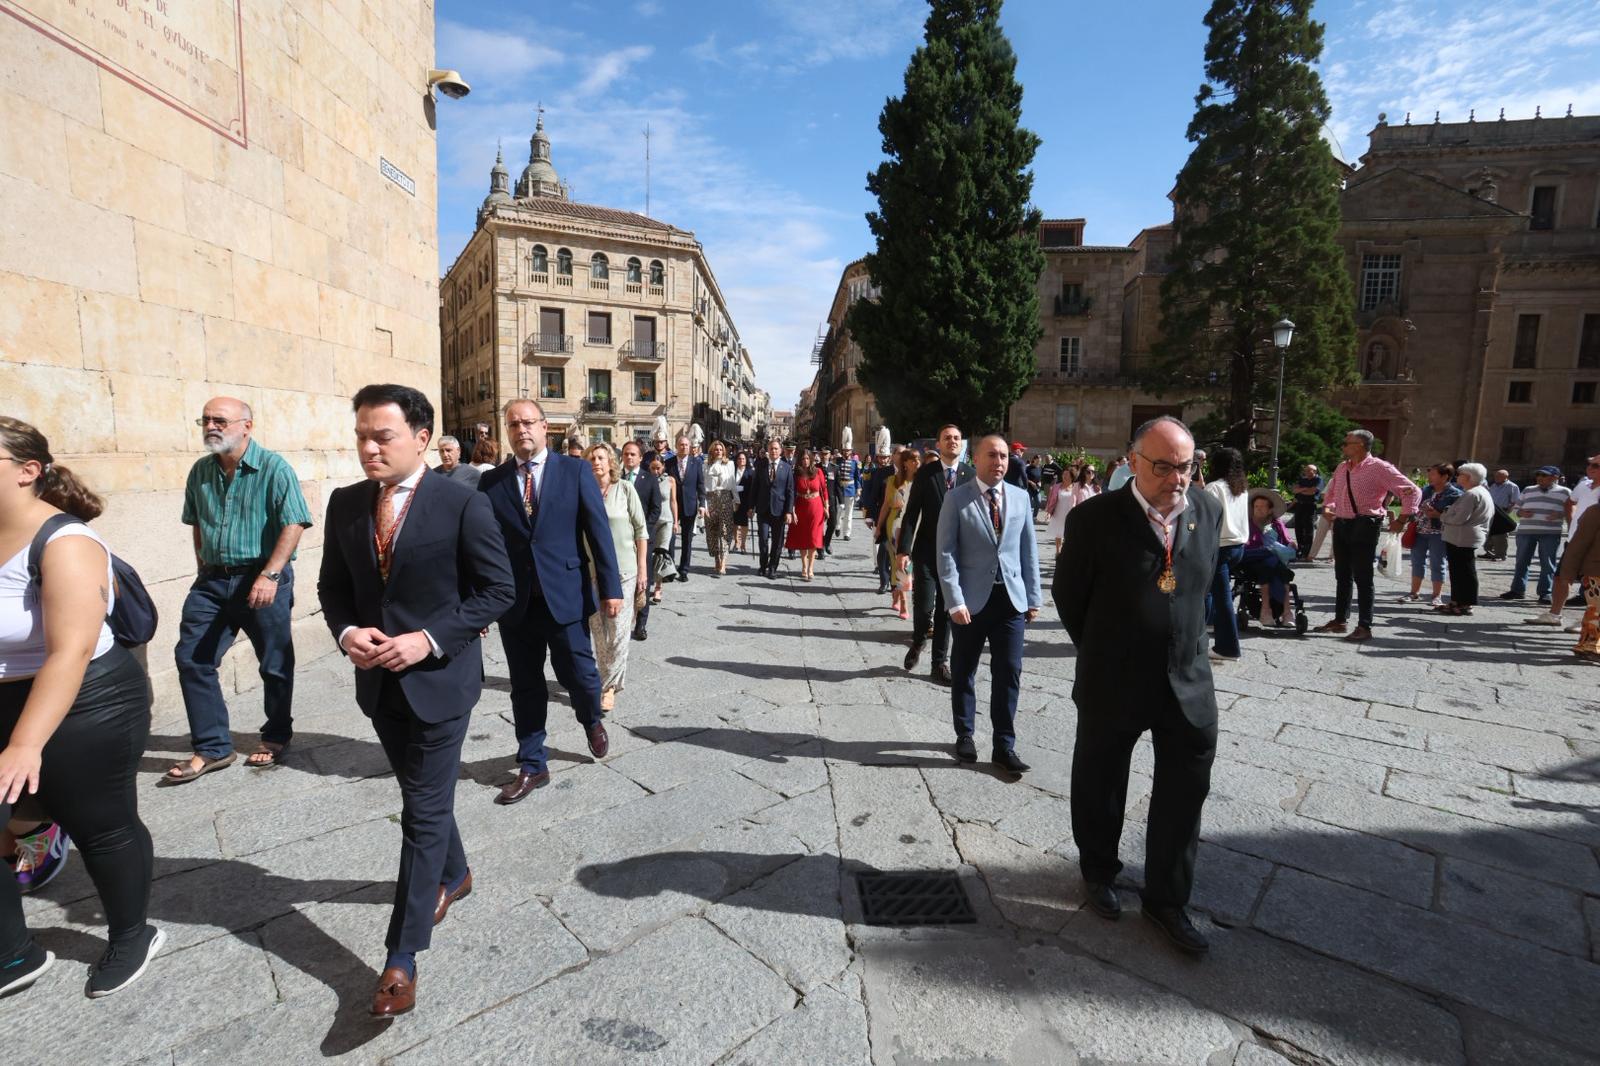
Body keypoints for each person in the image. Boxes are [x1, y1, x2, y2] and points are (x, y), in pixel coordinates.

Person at [316, 385, 513, 1017]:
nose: (369, 448)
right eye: (362, 436)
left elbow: (497, 590)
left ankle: (401, 958)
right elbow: (333, 586)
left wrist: (427, 640)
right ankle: (454, 874)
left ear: (422, 439)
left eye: (383, 437)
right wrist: (348, 634)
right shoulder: (346, 504)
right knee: (419, 797)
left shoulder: (461, 504)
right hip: (378, 686)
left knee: (421, 814)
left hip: (442, 684)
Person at [0, 417, 161, 999]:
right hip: (8, 693)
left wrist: (24, 743)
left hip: (88, 698)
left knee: (102, 823)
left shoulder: (66, 542)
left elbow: (69, 651)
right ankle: (13, 953)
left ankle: (132, 934)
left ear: (28, 472)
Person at [1053, 415, 1222, 956]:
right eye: (1164, 466)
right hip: (1115, 677)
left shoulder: (1208, 511)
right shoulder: (1095, 519)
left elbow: (1203, 588)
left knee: (1185, 789)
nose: (1177, 477)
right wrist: (1108, 648)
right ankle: (1099, 870)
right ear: (1133, 462)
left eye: (1187, 465)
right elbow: (1069, 598)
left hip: (1189, 681)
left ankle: (1167, 899)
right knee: (1101, 778)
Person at [477, 399, 620, 807]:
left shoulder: (574, 471)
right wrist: (480, 602)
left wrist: (611, 589)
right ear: (507, 431)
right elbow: (482, 548)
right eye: (513, 424)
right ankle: (533, 763)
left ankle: (590, 718)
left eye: (528, 422)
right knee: (525, 686)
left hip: (566, 597)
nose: (521, 429)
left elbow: (598, 534)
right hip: (516, 605)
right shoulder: (492, 483)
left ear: (545, 428)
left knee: (581, 675)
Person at [167, 396, 312, 782]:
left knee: (274, 663)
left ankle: (277, 733)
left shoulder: (273, 467)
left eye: (221, 420)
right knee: (192, 658)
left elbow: (294, 523)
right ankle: (213, 747)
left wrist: (271, 575)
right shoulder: (200, 472)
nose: (211, 426)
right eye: (205, 420)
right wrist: (202, 567)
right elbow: (196, 522)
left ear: (247, 425)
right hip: (213, 580)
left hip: (262, 576)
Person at [937, 434, 1042, 774]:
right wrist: (954, 601)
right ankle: (965, 734)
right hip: (970, 601)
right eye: (992, 455)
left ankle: (1003, 745)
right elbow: (946, 553)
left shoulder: (1020, 498)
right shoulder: (957, 499)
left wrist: (1034, 596)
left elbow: (1028, 550)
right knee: (965, 670)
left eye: (1004, 456)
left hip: (1010, 600)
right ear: (976, 459)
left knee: (1009, 672)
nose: (999, 462)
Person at [1316, 429, 1421, 642]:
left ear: (1361, 446)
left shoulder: (1380, 468)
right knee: (1342, 574)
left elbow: (1412, 490)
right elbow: (1332, 492)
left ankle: (1365, 626)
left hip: (1365, 524)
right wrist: (1329, 506)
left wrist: (1402, 519)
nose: (1343, 446)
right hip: (1342, 524)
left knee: (1363, 577)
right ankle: (1340, 620)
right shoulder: (1342, 467)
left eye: (1347, 443)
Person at [897, 425, 974, 685]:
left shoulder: (971, 476)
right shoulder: (926, 474)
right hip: (928, 552)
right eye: (947, 438)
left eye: (956, 438)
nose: (952, 441)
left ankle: (938, 664)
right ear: (939, 445)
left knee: (945, 610)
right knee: (924, 606)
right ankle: (919, 639)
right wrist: (903, 550)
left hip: (957, 557)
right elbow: (911, 514)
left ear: (961, 444)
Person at [582, 443, 647, 714]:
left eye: (600, 457)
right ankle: (604, 675)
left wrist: (643, 570)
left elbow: (641, 531)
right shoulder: (583, 493)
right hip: (591, 571)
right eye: (591, 458)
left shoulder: (625, 490)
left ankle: (608, 687)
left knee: (619, 632)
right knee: (599, 631)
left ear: (611, 462)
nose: (596, 462)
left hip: (624, 570)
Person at [1530, 505, 1600, 656]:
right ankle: (1590, 645)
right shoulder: (1595, 511)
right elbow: (1579, 543)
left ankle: (1589, 645)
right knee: (1597, 610)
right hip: (1596, 571)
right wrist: (1567, 571)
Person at [1498, 465, 1572, 605]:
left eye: (1544, 475)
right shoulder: (1528, 490)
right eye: (1539, 475)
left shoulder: (1565, 492)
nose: (1540, 478)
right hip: (1526, 531)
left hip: (1550, 533)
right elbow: (1517, 509)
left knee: (1548, 563)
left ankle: (1545, 593)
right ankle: (1517, 590)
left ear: (1555, 477)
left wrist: (1560, 514)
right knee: (1521, 561)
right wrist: (1522, 513)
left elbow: (1571, 510)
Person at [1203, 447, 1251, 661]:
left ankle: (1228, 647)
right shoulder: (1241, 488)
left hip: (1220, 547)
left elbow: (1205, 518)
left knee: (1222, 600)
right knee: (1216, 594)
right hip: (1238, 546)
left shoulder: (1214, 487)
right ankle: (1212, 624)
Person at [1399, 463, 1459, 608]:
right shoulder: (1425, 490)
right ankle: (1414, 592)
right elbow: (1413, 505)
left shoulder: (1455, 494)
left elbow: (1457, 515)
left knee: (1437, 563)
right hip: (1419, 531)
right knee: (1417, 562)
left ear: (1445, 477)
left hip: (1439, 533)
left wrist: (1438, 514)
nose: (1429, 477)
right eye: (1429, 473)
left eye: (1433, 474)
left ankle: (1436, 596)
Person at [620, 441, 662, 641]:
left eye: (633, 454)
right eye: (626, 454)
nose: (629, 457)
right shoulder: (616, 478)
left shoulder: (650, 479)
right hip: (620, 540)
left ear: (639, 457)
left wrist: (643, 529)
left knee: (643, 581)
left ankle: (641, 624)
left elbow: (656, 509)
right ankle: (625, 619)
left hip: (643, 538)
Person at [1441, 463, 1494, 617]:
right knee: (1460, 571)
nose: (1457, 477)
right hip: (1465, 537)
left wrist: (1443, 515)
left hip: (1462, 538)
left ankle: (1465, 603)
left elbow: (1459, 518)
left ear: (1469, 477)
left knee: (1464, 572)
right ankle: (1457, 601)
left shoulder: (1471, 494)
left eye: (1460, 474)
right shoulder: (1481, 492)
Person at [1240, 489, 1298, 626]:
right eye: (1256, 507)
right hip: (1253, 560)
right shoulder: (1246, 523)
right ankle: (1265, 610)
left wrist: (1291, 544)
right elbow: (1243, 544)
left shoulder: (1276, 524)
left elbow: (1287, 539)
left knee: (1281, 570)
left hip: (1273, 560)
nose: (1258, 510)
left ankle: (1287, 612)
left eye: (1262, 507)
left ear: (1270, 510)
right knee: (1268, 567)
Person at [878, 449, 921, 620]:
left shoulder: (923, 481)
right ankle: (903, 602)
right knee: (900, 563)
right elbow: (886, 506)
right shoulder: (893, 481)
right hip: (895, 526)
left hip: (917, 525)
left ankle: (896, 590)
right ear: (905, 463)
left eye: (918, 459)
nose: (917, 462)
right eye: (913, 459)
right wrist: (879, 526)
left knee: (912, 564)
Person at [749, 439, 795, 579]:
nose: (774, 451)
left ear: (780, 451)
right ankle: (763, 566)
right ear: (768, 450)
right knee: (763, 539)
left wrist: (788, 511)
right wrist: (751, 506)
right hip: (763, 509)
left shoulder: (786, 468)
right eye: (771, 448)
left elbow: (790, 491)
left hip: (779, 510)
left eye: (776, 448)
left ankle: (773, 568)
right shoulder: (761, 465)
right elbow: (754, 487)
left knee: (777, 542)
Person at [667, 433, 705, 581]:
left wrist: (702, 504)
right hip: (672, 506)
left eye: (686, 445)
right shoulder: (668, 463)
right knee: (670, 539)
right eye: (681, 445)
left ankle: (684, 569)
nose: (684, 447)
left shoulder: (696, 463)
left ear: (690, 447)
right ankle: (669, 569)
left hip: (690, 505)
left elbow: (700, 485)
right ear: (676, 446)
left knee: (686, 539)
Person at [787, 449, 827, 581]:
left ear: (811, 459)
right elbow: (791, 492)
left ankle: (811, 568)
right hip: (801, 506)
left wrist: (827, 506)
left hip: (816, 507)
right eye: (803, 459)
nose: (805, 461)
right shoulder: (796, 473)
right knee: (803, 538)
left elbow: (824, 489)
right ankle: (804, 566)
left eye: (807, 458)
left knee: (814, 538)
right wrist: (792, 511)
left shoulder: (818, 472)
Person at [861, 449, 896, 593]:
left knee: (898, 553)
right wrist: (868, 515)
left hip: (900, 519)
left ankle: (898, 582)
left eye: (885, 457)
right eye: (881, 457)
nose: (883, 460)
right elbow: (870, 494)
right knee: (881, 549)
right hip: (880, 515)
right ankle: (883, 578)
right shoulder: (875, 472)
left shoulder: (908, 472)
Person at [701, 440, 737, 577]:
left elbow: (732, 483)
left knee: (725, 530)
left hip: (725, 498)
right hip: (710, 499)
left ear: (724, 451)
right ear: (711, 451)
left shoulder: (730, 464)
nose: (718, 452)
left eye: (721, 450)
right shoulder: (705, 465)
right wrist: (703, 504)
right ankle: (716, 559)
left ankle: (723, 562)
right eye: (716, 449)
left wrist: (737, 500)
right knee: (712, 531)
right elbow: (702, 487)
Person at [647, 455, 678, 607]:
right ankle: (647, 583)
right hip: (651, 522)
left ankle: (658, 587)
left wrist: (675, 521)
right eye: (653, 468)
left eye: (658, 467)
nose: (656, 471)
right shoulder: (646, 480)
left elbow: (673, 501)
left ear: (663, 467)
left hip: (666, 520)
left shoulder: (670, 480)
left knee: (661, 553)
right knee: (649, 553)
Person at [1483, 469, 1522, 560]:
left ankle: (1501, 554)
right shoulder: (1493, 486)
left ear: (1505, 477)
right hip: (1492, 511)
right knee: (1491, 532)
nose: (1496, 478)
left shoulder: (1512, 486)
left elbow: (1515, 501)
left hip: (1503, 512)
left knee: (1501, 534)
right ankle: (1489, 552)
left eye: (1499, 476)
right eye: (1495, 476)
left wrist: (1507, 513)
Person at [1289, 464, 1323, 559]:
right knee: (1298, 527)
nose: (1307, 472)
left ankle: (1307, 551)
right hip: (1299, 505)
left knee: (1308, 528)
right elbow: (1294, 490)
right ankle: (1300, 548)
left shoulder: (1318, 480)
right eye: (1306, 470)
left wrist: (1301, 490)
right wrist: (1304, 489)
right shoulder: (1302, 479)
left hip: (1310, 506)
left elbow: (1312, 492)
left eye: (1309, 470)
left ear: (1314, 471)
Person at [731, 449, 754, 556]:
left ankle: (743, 544)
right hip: (733, 500)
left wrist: (751, 506)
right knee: (734, 523)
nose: (741, 460)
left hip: (745, 501)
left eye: (743, 459)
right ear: (736, 460)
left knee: (744, 523)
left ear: (746, 460)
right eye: (739, 459)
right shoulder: (732, 470)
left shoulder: (750, 472)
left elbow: (752, 488)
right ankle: (736, 542)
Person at [837, 449, 860, 540]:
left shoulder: (855, 463)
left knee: (849, 513)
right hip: (840, 490)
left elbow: (857, 477)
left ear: (851, 451)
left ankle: (847, 533)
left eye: (848, 450)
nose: (846, 452)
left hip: (850, 489)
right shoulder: (838, 461)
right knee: (839, 510)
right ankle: (838, 525)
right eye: (844, 450)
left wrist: (858, 489)